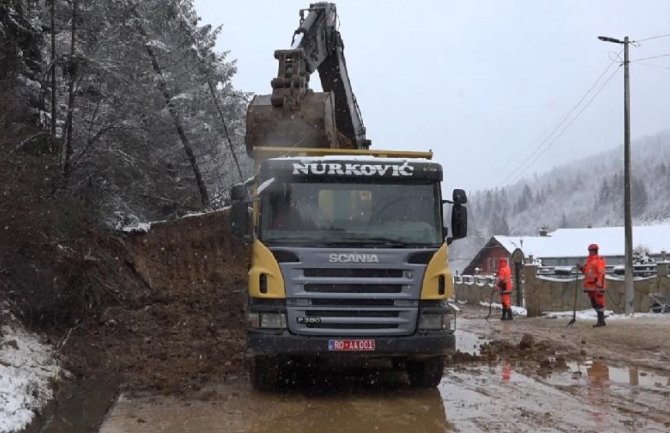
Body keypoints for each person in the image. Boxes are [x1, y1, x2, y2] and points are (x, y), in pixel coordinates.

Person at [576, 243, 607, 327]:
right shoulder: (589, 261)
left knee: (599, 303)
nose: (590, 252)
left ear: (595, 251)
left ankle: (601, 321)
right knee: (594, 304)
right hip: (590, 286)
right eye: (589, 250)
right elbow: (587, 272)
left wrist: (599, 282)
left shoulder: (598, 260)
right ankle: (602, 319)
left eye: (591, 251)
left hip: (597, 286)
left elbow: (601, 272)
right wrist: (581, 268)